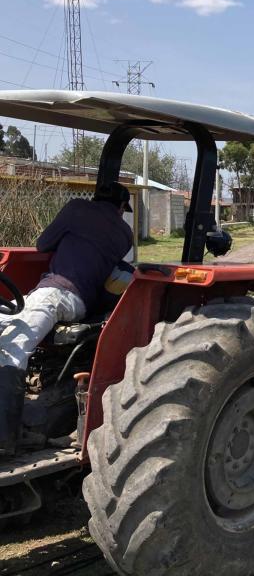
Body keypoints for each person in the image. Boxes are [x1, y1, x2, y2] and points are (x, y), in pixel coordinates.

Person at [0, 182, 134, 455]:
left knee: (12, 347)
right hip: (78, 300)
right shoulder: (125, 233)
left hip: (59, 293)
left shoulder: (76, 209)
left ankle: (5, 437)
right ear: (121, 207)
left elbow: (42, 244)